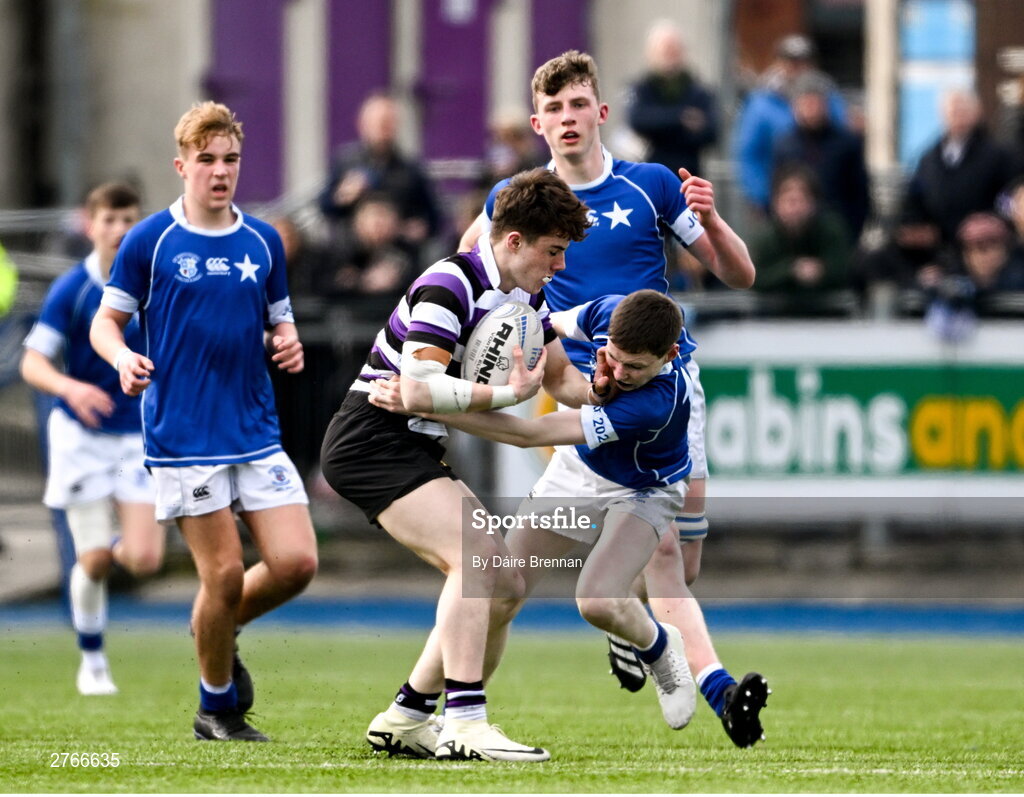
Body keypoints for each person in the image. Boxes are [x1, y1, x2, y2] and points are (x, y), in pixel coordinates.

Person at [459, 50, 768, 748]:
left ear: (600, 113)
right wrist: (491, 325)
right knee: (639, 559)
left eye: (578, 106)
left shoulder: (651, 185)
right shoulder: (519, 198)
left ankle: (634, 633)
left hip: (666, 388)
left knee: (679, 564)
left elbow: (739, 274)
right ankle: (708, 685)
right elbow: (470, 268)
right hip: (582, 377)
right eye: (553, 110)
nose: (567, 120)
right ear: (538, 124)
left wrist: (712, 221)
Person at [320, 168, 599, 762]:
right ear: (514, 241)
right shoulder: (451, 281)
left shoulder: (528, 293)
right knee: (475, 557)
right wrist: (506, 395)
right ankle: (465, 722)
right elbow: (419, 390)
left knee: (506, 583)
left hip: (411, 441)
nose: (561, 266)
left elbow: (559, 378)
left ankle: (408, 714)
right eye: (554, 251)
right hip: (370, 438)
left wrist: (611, 389)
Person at [372, 290, 711, 736]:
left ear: (668, 354)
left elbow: (531, 433)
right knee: (496, 591)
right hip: (579, 475)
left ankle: (660, 647)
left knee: (597, 599)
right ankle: (418, 713)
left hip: (646, 488)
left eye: (636, 367)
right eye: (615, 358)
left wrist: (431, 401)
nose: (622, 374)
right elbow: (544, 326)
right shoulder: (605, 311)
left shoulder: (657, 401)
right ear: (607, 334)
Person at [90, 102, 318, 742]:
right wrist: (123, 356)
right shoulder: (150, 241)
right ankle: (215, 706)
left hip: (252, 426)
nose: (221, 172)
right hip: (184, 435)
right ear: (182, 165)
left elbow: (280, 317)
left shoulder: (263, 240)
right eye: (208, 161)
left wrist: (289, 341)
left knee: (297, 563)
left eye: (231, 160)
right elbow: (105, 322)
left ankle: (215, 623)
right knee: (219, 575)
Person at [20, 182, 164, 696]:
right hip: (81, 437)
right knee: (92, 559)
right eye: (110, 220)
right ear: (90, 225)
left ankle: (113, 550)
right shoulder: (72, 290)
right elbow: (32, 362)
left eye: (129, 219)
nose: (120, 230)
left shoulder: (155, 284)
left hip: (135, 440)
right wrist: (71, 388)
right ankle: (92, 658)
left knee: (145, 559)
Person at [733, 34, 847, 213]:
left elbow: (841, 142)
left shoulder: (828, 96)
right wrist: (761, 196)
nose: (796, 67)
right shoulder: (761, 101)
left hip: (826, 202)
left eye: (802, 61)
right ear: (779, 62)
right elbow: (750, 153)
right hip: (776, 201)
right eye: (790, 61)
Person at [318, 91, 443, 251]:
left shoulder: (410, 169)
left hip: (398, 253)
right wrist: (342, 197)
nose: (383, 129)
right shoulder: (345, 163)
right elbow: (324, 207)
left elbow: (433, 217)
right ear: (363, 125)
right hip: (352, 252)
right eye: (378, 123)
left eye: (388, 123)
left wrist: (420, 228)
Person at [772, 72, 870, 241]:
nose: (811, 108)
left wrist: (852, 232)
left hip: (838, 230)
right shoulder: (785, 145)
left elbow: (859, 193)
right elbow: (776, 189)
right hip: (794, 233)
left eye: (816, 102)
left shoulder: (846, 143)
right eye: (806, 102)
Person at [750, 165, 850, 312]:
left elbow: (845, 270)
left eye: (801, 199)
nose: (794, 207)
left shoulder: (831, 231)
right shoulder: (765, 237)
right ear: (776, 203)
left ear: (814, 203)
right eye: (788, 200)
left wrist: (821, 272)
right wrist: (791, 271)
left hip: (827, 321)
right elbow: (753, 278)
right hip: (774, 322)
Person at [627, 19, 719, 177]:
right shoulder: (643, 88)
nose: (670, 56)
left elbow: (711, 132)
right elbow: (639, 120)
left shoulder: (698, 91)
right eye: (665, 51)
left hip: (689, 175)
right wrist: (681, 118)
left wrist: (662, 127)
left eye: (674, 50)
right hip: (652, 175)